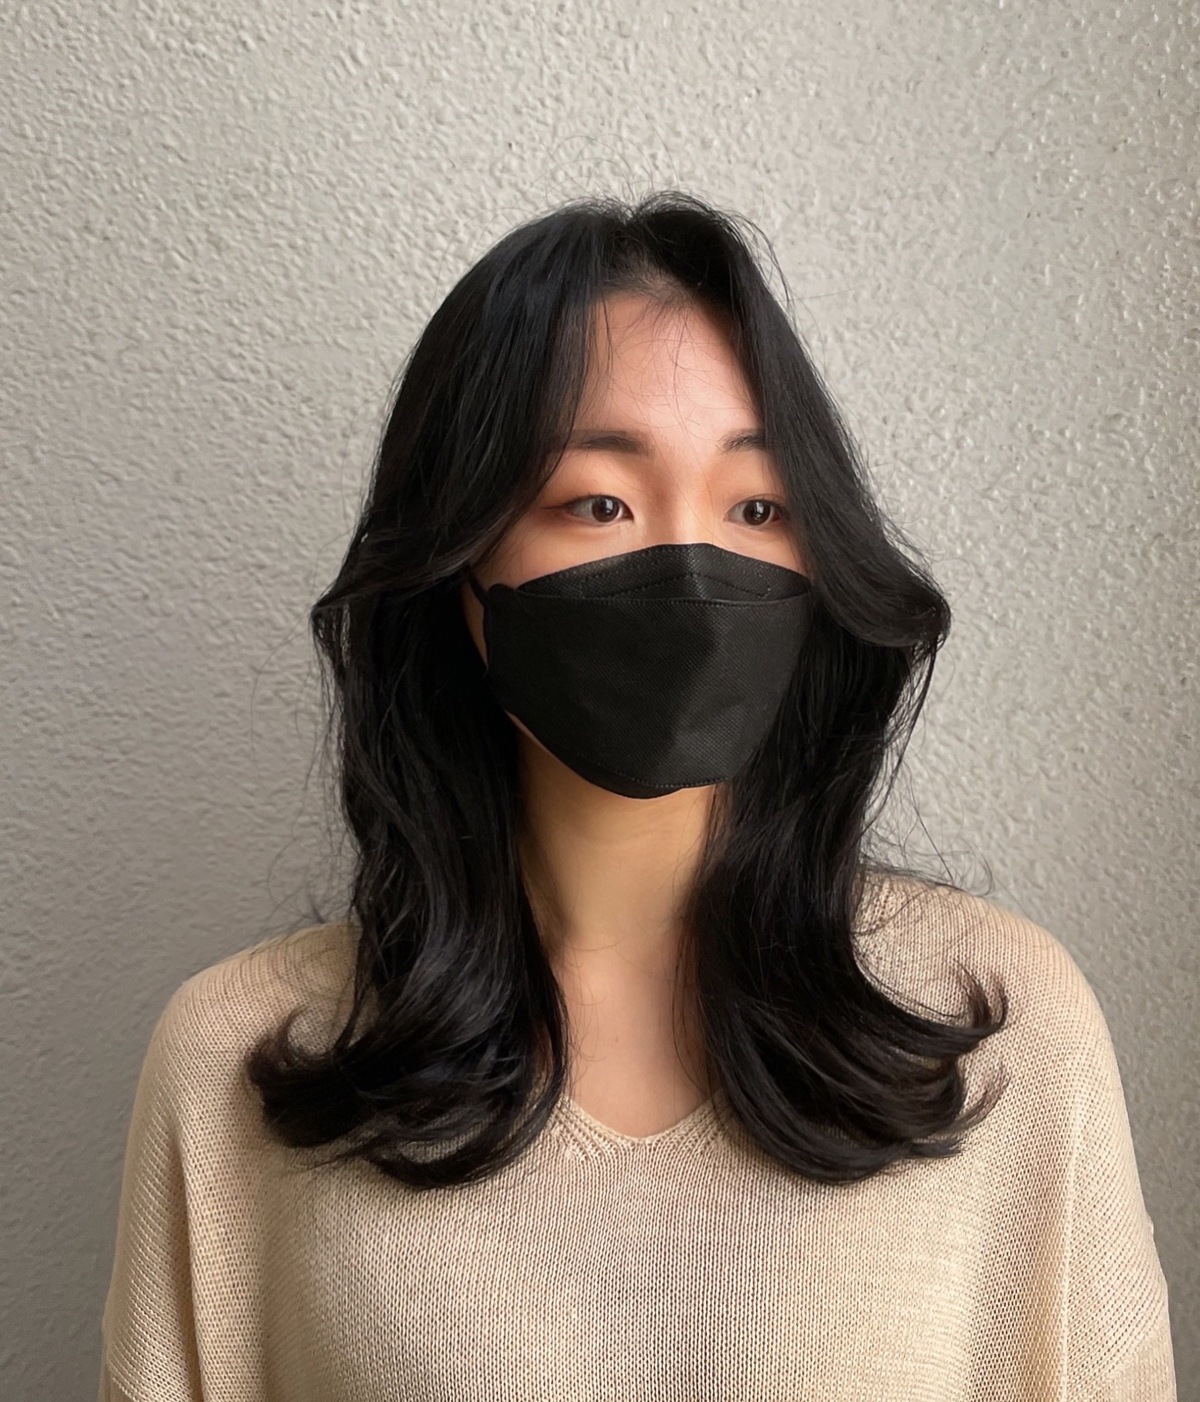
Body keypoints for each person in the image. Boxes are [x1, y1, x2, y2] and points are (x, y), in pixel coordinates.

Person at [97, 191, 1175, 1400]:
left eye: (757, 508)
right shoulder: (244, 1058)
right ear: (457, 565)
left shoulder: (1000, 1024)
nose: (691, 571)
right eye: (599, 502)